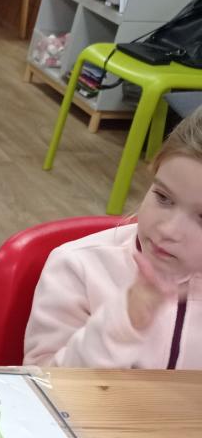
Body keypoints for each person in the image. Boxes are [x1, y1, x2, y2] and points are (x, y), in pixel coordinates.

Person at [25, 108, 202, 369]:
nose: (168, 230)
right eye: (163, 197)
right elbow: (42, 381)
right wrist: (121, 327)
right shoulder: (78, 266)